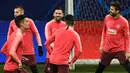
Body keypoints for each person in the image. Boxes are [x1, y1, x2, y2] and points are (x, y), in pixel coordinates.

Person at [95, 1, 130, 73]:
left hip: (119, 49)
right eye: (110, 9)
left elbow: (127, 38)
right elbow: (104, 31)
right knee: (99, 69)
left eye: (112, 10)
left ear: (117, 11)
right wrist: (102, 45)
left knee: (127, 66)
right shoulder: (107, 18)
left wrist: (127, 51)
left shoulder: (124, 22)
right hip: (107, 49)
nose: (109, 11)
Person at [7, 6, 43, 73]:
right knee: (16, 69)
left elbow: (36, 33)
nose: (15, 14)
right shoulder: (12, 23)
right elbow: (9, 36)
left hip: (29, 51)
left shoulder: (29, 21)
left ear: (22, 12)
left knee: (34, 69)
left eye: (17, 12)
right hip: (17, 52)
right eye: (14, 12)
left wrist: (40, 45)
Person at [44, 7, 66, 73]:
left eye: (59, 13)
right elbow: (48, 38)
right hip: (51, 53)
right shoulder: (48, 24)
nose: (58, 15)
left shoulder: (64, 25)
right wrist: (55, 48)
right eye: (56, 13)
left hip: (62, 54)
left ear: (62, 15)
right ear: (53, 14)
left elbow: (66, 38)